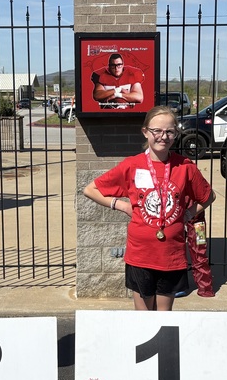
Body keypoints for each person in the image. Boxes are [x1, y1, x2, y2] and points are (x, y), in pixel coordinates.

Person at [83, 105, 216, 310]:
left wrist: (188, 213)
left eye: (169, 131)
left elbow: (208, 196)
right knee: (143, 316)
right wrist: (121, 205)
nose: (163, 136)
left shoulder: (185, 167)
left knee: (163, 316)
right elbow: (90, 189)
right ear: (146, 131)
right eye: (157, 131)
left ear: (175, 134)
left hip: (171, 254)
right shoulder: (132, 165)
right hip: (141, 254)